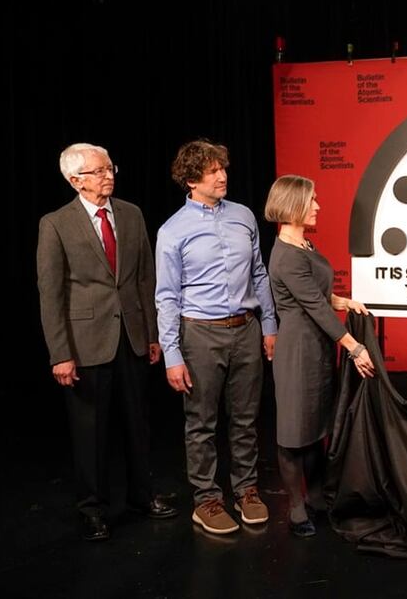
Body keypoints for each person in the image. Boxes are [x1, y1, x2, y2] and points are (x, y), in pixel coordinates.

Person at [37, 142, 177, 542]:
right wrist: (60, 353)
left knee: (138, 424)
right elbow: (51, 294)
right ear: (75, 180)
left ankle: (141, 496)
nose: (108, 175)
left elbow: (145, 278)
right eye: (98, 171)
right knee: (91, 431)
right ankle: (93, 508)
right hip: (85, 344)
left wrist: (152, 334)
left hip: (132, 337)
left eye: (109, 167)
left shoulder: (131, 215)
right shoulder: (56, 224)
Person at [155, 139, 278, 535]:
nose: (222, 176)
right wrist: (172, 353)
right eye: (212, 171)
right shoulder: (173, 231)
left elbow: (259, 273)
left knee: (245, 418)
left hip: (246, 329)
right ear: (191, 180)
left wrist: (270, 325)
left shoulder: (242, 215)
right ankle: (206, 498)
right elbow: (167, 295)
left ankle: (246, 490)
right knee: (202, 422)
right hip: (200, 335)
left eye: (222, 168)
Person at [264, 174, 375, 538]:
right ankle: (296, 508)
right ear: (293, 205)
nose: (318, 206)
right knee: (294, 432)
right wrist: (354, 347)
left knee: (315, 428)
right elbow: (313, 305)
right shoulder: (286, 255)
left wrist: (345, 301)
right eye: (312, 201)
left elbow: (318, 295)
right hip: (298, 350)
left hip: (317, 347)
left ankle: (314, 496)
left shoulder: (305, 247)